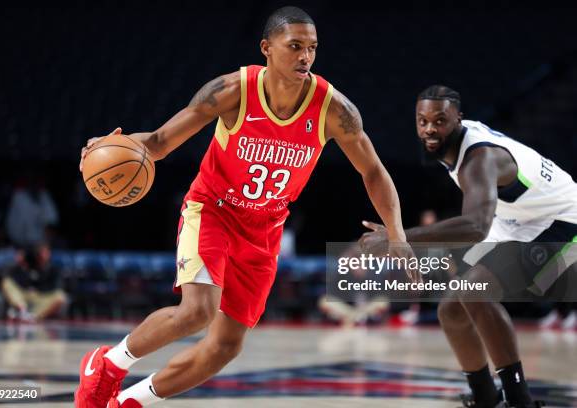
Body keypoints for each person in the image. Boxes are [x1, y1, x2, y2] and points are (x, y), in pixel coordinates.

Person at [75, 7, 415, 408]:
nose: (305, 57)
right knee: (198, 311)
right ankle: (107, 365)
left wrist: (398, 235)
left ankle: (128, 402)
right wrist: (114, 148)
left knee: (224, 347)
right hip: (213, 210)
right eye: (295, 47)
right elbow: (161, 142)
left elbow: (373, 171)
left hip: (265, 228)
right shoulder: (232, 90)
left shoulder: (333, 109)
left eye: (312, 48)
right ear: (267, 49)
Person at [360, 85, 577, 407]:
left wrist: (398, 237)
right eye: (423, 121)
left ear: (458, 120)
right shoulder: (456, 146)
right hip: (518, 219)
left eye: (440, 121)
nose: (430, 129)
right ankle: (485, 397)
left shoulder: (480, 158)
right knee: (451, 310)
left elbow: (476, 226)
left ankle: (520, 400)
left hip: (562, 217)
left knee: (475, 291)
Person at [0, 243, 67, 322]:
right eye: (41, 252)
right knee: (6, 282)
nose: (43, 255)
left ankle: (33, 316)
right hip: (24, 294)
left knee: (60, 296)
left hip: (41, 296)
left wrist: (38, 290)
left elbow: (57, 286)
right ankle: (22, 311)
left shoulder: (54, 269)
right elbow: (19, 282)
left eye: (46, 252)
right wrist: (23, 267)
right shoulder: (27, 265)